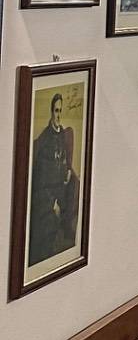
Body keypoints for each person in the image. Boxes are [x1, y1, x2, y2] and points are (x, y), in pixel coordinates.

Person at [30, 92, 80, 265]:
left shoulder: (62, 134)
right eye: (56, 111)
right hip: (47, 195)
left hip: (61, 187)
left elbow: (64, 158)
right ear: (51, 112)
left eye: (60, 111)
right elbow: (40, 180)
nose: (59, 115)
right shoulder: (45, 140)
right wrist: (53, 203)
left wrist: (68, 170)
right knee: (47, 232)